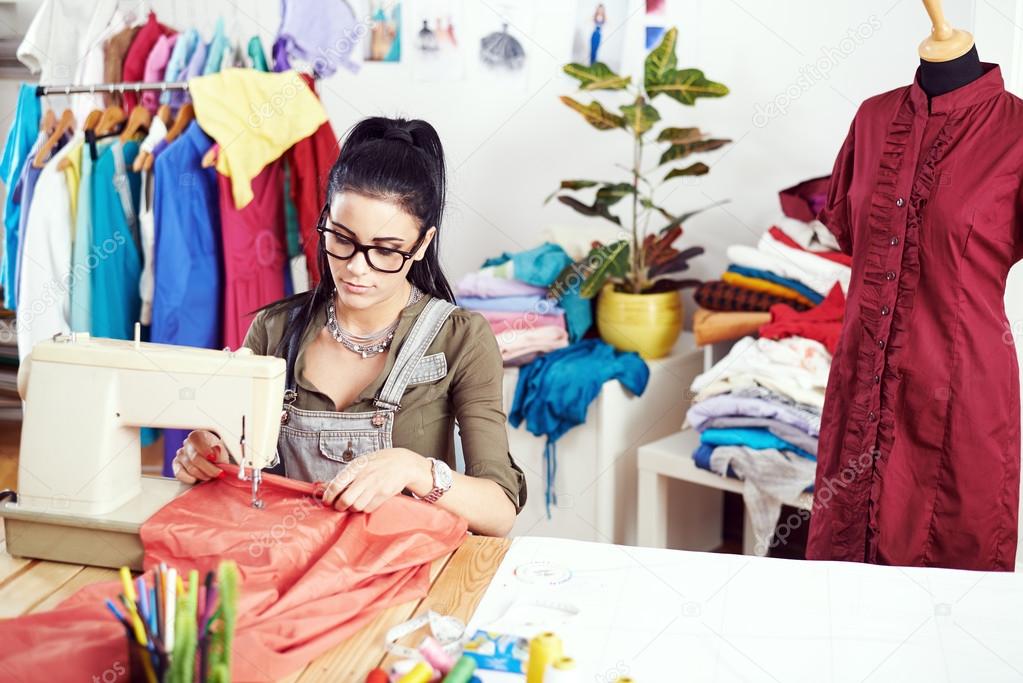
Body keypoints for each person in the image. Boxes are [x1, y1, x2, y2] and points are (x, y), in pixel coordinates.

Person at [172, 116, 527, 537]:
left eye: (386, 250)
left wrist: (414, 469)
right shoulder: (273, 330)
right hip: (289, 559)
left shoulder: (461, 338)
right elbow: (232, 453)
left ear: (422, 245)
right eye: (341, 238)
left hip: (402, 574)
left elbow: (499, 510)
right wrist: (204, 452)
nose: (357, 268)